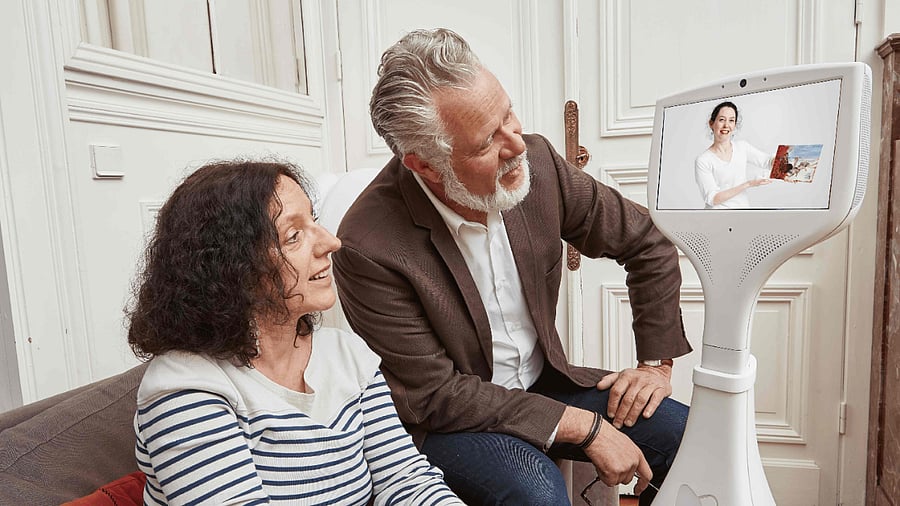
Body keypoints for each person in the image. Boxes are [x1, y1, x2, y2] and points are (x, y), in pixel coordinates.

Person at [332, 28, 692, 505]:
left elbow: (648, 241)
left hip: (544, 384)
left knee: (688, 436)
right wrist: (585, 428)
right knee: (535, 494)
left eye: (508, 114)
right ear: (424, 166)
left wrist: (655, 367)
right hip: (452, 420)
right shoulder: (367, 245)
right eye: (486, 143)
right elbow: (435, 395)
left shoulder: (538, 160)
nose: (516, 144)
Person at [126, 160, 463, 505]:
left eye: (313, 220)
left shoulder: (346, 354)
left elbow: (407, 482)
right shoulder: (185, 386)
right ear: (234, 269)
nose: (331, 242)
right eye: (294, 235)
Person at [695, 101, 773, 208]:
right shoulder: (703, 160)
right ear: (711, 123)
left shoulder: (742, 147)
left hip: (742, 215)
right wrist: (748, 184)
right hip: (716, 218)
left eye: (731, 120)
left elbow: (768, 161)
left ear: (735, 125)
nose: (726, 125)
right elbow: (712, 199)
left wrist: (792, 164)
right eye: (722, 120)